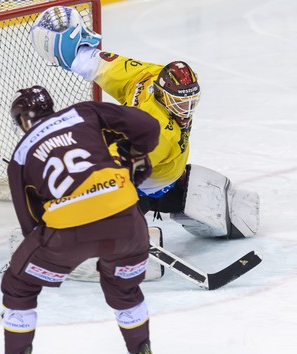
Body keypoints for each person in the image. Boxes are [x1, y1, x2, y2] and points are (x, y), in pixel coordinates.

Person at [30, 5, 260, 240]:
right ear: (162, 92)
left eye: (191, 101)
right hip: (154, 176)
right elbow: (109, 69)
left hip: (153, 178)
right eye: (180, 103)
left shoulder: (152, 96)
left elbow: (120, 170)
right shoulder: (155, 103)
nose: (186, 110)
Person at [0, 85, 161, 354]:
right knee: (123, 287)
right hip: (128, 224)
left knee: (19, 283)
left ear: (22, 122)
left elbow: (29, 223)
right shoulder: (84, 112)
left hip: (68, 234)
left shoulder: (21, 155)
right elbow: (149, 126)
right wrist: (130, 159)